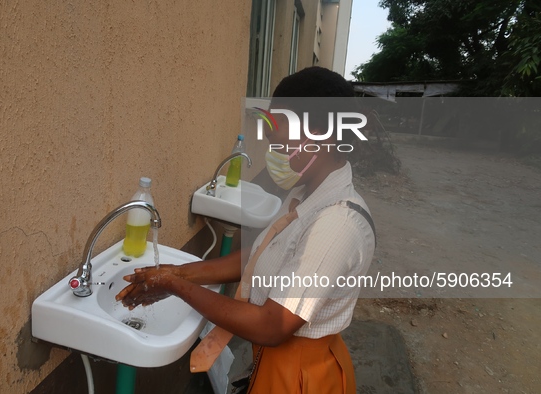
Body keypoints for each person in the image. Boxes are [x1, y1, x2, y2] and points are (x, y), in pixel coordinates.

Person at [116, 66, 376, 394]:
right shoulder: (305, 194)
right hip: (274, 362)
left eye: (279, 143)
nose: (272, 149)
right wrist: (178, 273)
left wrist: (175, 285)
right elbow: (257, 255)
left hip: (299, 377)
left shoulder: (336, 224)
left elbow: (272, 325)